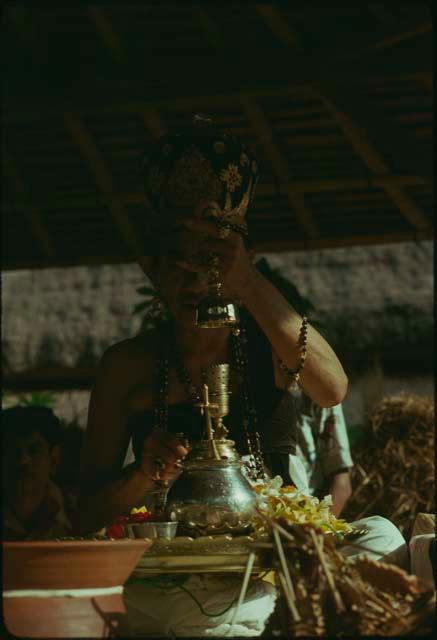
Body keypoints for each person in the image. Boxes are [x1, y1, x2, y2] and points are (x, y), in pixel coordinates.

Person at [2, 406, 72, 541]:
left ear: (54, 461)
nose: (23, 460)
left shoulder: (77, 516)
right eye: (13, 450)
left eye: (34, 450)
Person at [294, 392, 353, 517]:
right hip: (260, 511)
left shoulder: (324, 393)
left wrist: (319, 526)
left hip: (312, 512)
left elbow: (342, 482)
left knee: (383, 529)